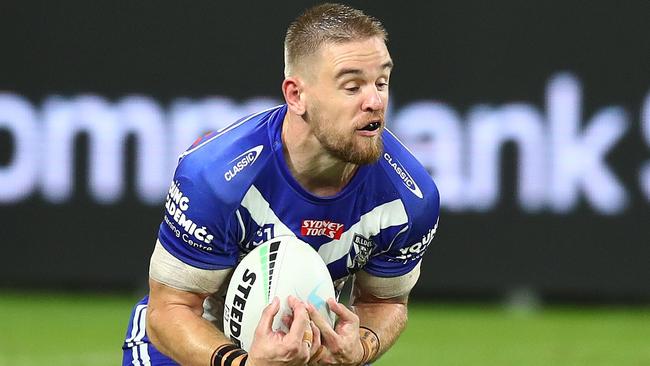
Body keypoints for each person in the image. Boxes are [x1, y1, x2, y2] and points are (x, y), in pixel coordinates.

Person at [122, 3, 440, 366]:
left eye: (381, 82)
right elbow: (169, 311)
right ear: (296, 95)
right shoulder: (215, 177)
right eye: (352, 86)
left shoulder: (409, 197)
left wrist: (361, 347)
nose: (375, 101)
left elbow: (386, 303)